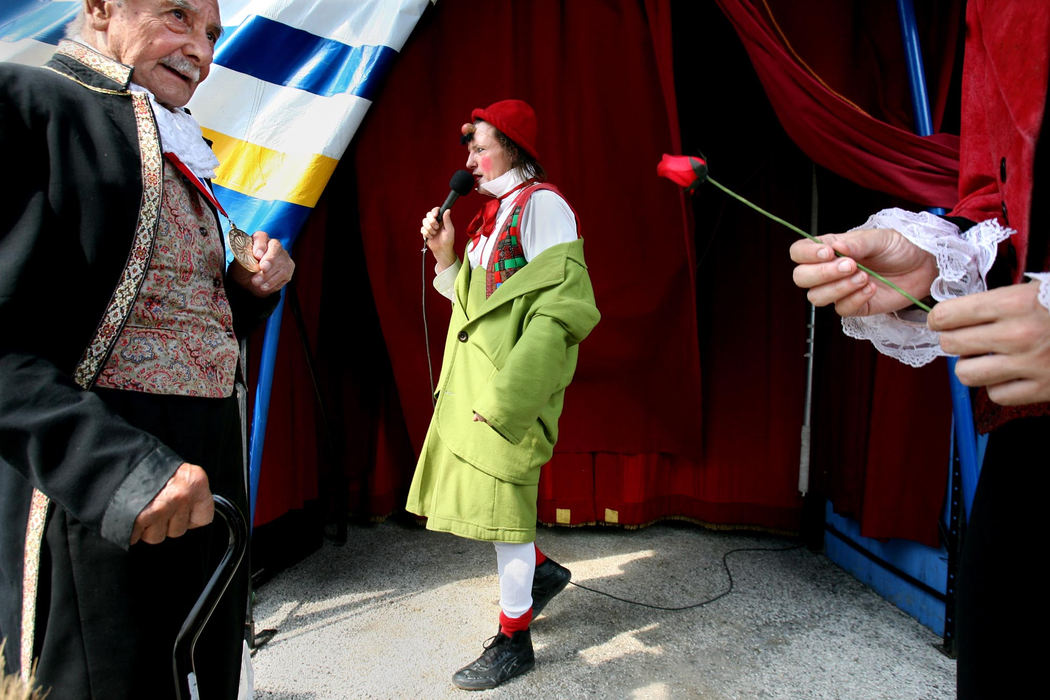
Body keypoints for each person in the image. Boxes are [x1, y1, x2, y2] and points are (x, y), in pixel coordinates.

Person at [0, 1, 295, 697]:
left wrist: (246, 292)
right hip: (101, 504)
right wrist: (119, 471)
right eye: (176, 15)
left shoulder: (174, 137)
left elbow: (166, 328)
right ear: (101, 8)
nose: (199, 49)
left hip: (205, 482)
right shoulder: (29, 103)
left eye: (212, 33)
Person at [788, 2, 1048, 697]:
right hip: (1034, 468)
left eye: (482, 143)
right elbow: (1002, 199)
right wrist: (939, 260)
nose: (472, 158)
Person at [409, 99, 600, 690]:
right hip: (475, 384)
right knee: (495, 509)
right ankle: (540, 574)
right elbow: (475, 308)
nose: (468, 160)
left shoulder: (543, 207)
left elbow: (561, 312)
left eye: (480, 147)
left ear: (513, 148)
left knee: (509, 514)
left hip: (510, 391)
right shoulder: (493, 217)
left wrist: (511, 400)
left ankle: (514, 641)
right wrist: (446, 258)